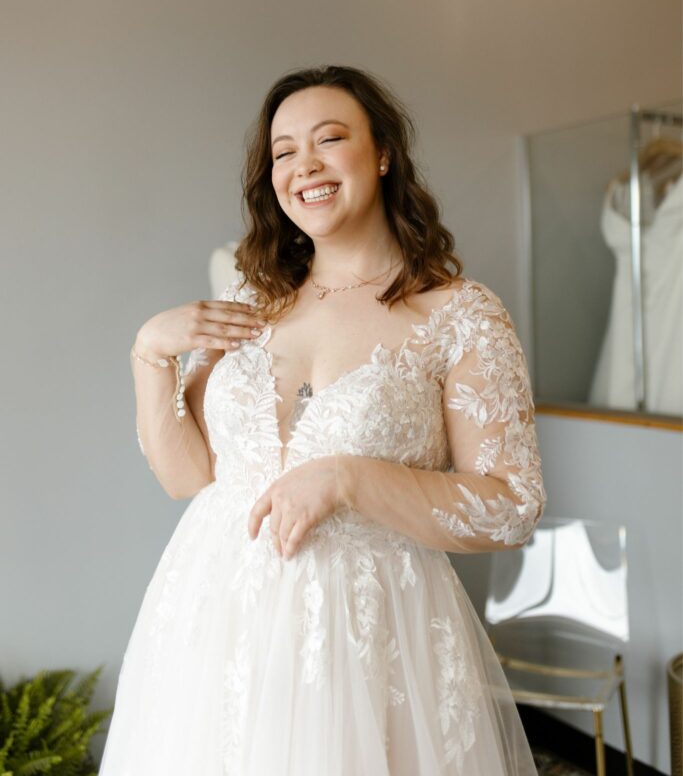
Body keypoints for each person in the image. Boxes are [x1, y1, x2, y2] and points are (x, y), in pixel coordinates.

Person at [99, 64, 547, 775]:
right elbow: (189, 478)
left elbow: (511, 507)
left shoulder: (460, 315)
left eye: (329, 139)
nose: (302, 164)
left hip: (368, 639)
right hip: (214, 623)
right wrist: (148, 352)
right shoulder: (252, 300)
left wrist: (349, 479)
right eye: (282, 151)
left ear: (382, 154)